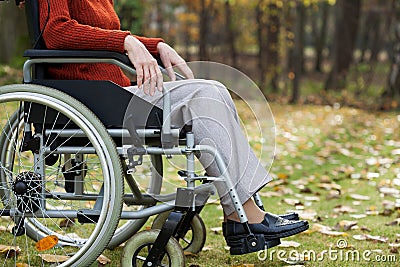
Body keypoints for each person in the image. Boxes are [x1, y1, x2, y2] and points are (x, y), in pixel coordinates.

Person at [27, 0, 308, 254]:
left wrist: (152, 45)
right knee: (205, 95)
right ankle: (242, 217)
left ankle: (245, 210)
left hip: (113, 92)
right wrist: (126, 41)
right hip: (87, 97)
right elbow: (57, 32)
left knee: (215, 91)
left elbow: (102, 38)